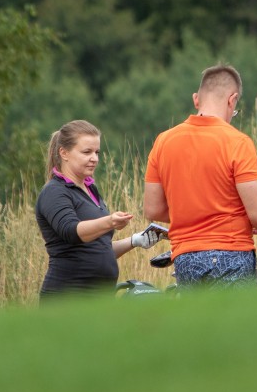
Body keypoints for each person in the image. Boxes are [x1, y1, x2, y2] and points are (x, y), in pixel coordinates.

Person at [143, 63, 257, 289]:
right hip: (232, 254)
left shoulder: (163, 141)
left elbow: (152, 209)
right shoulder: (237, 142)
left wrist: (192, 212)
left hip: (185, 257)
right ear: (232, 100)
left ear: (196, 99)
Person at [35, 120, 167, 299]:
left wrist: (135, 240)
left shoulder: (90, 190)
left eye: (97, 152)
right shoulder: (54, 191)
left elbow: (98, 249)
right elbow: (71, 231)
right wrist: (110, 221)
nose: (94, 158)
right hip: (67, 295)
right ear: (64, 153)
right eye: (86, 152)